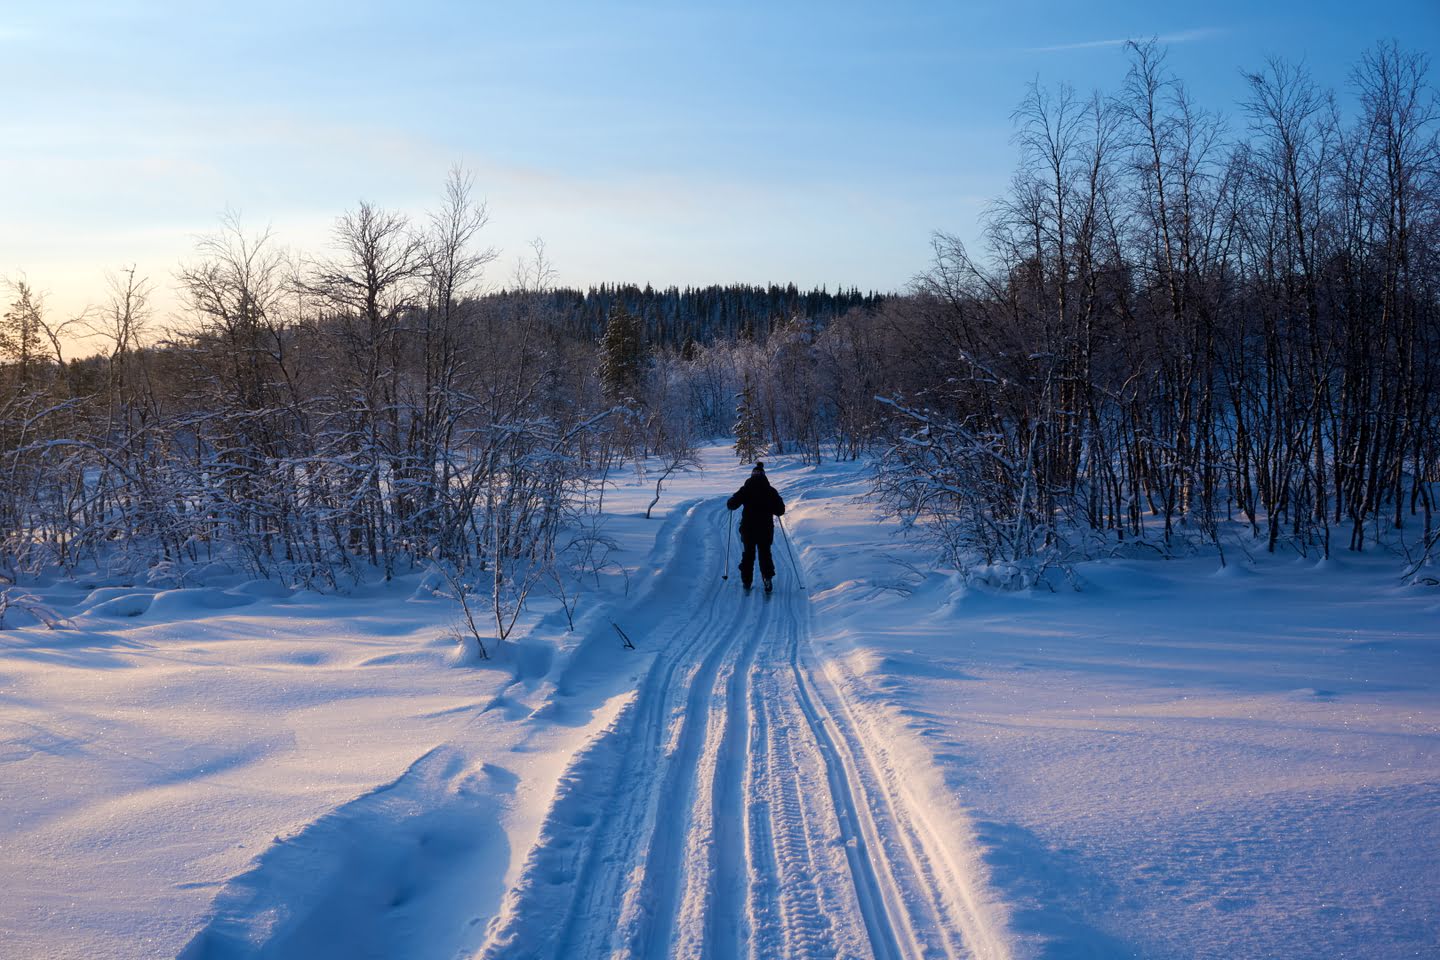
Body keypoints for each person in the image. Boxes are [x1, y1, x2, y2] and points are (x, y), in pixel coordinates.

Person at [726, 461, 786, 592]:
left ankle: (747, 581)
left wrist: (731, 502)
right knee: (765, 553)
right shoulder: (770, 491)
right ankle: (767, 578)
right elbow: (780, 511)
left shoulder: (745, 489)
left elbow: (732, 504)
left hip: (748, 528)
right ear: (764, 476)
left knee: (748, 554)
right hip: (766, 528)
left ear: (752, 475)